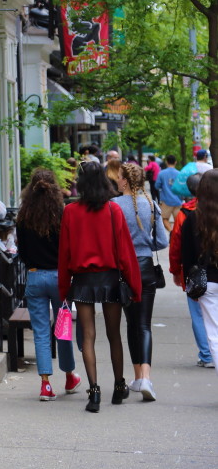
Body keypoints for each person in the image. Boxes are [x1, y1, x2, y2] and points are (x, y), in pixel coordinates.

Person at [58, 160, 142, 413]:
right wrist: (135, 286)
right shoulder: (113, 210)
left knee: (88, 336)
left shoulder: (70, 211)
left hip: (83, 280)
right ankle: (119, 386)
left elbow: (64, 253)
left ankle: (94, 392)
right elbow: (125, 252)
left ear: (81, 182)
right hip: (111, 279)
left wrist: (63, 288)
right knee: (114, 334)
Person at [16, 168, 82, 401]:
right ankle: (69, 376)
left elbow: (22, 252)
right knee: (63, 330)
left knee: (41, 332)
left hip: (35, 277)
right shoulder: (62, 214)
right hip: (59, 278)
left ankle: (45, 384)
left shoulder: (23, 215)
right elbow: (71, 248)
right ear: (54, 188)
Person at [114, 162, 168, 401]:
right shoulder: (151, 203)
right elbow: (162, 241)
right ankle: (145, 378)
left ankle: (137, 376)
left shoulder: (114, 205)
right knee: (144, 324)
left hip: (124, 269)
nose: (116, 180)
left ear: (125, 181)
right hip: (146, 267)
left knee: (131, 323)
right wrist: (145, 243)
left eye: (118, 177)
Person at [168, 172, 214, 368]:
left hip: (201, 278)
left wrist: (180, 274)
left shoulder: (188, 215)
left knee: (201, 318)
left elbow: (180, 248)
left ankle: (207, 355)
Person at [181, 169, 218, 370]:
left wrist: (190, 285)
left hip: (207, 282)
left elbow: (186, 257)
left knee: (214, 334)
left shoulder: (193, 219)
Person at [155, 154, 183, 231]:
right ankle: (177, 234)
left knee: (164, 219)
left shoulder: (161, 173)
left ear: (166, 162)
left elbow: (157, 186)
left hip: (166, 201)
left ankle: (171, 231)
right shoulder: (179, 174)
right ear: (175, 162)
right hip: (178, 201)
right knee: (178, 221)